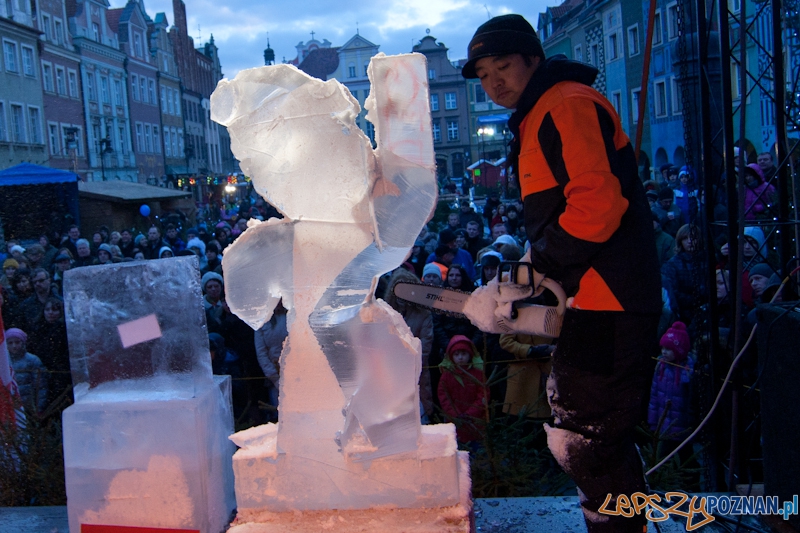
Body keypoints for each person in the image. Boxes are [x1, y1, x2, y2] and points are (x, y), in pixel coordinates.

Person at [463, 14, 661, 532]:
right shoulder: (537, 115)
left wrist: (534, 271)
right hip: (589, 299)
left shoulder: (566, 105)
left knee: (588, 438)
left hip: (609, 299)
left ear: (533, 58)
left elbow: (597, 203)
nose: (494, 82)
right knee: (587, 435)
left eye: (503, 66)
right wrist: (537, 279)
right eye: (484, 74)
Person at [647, 321, 694, 450]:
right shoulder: (660, 367)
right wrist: (653, 422)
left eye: (668, 349)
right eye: (662, 348)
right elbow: (654, 397)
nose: (664, 352)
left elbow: (691, 401)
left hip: (681, 427)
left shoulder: (688, 370)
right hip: (663, 426)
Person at [437, 335, 487, 444]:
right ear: (451, 356)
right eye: (456, 354)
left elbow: (483, 395)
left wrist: (470, 413)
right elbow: (444, 397)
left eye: (464, 354)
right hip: (455, 421)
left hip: (475, 421)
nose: (460, 357)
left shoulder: (478, 374)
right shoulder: (446, 376)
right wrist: (455, 414)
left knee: (476, 447)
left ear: (470, 355)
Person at [6, 327, 48, 413]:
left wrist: (39, 408)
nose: (14, 346)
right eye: (10, 343)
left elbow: (41, 387)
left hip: (29, 407)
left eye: (17, 342)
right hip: (9, 407)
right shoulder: (4, 362)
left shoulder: (32, 360)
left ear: (23, 343)